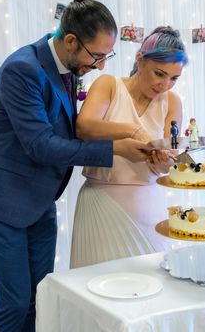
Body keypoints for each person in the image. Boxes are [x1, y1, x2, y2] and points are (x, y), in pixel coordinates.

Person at [0, 0, 149, 332]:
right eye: (96, 56)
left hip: (40, 201)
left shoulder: (70, 68)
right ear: (70, 41)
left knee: (38, 300)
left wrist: (124, 132)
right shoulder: (22, 70)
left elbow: (72, 126)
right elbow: (42, 145)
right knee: (14, 304)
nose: (101, 66)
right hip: (2, 201)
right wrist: (114, 148)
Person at [71, 26, 188, 269]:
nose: (165, 85)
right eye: (159, 73)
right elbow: (84, 127)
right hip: (102, 205)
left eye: (174, 78)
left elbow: (171, 155)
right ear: (139, 59)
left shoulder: (173, 102)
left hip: (150, 206)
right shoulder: (109, 85)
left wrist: (165, 163)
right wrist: (132, 130)